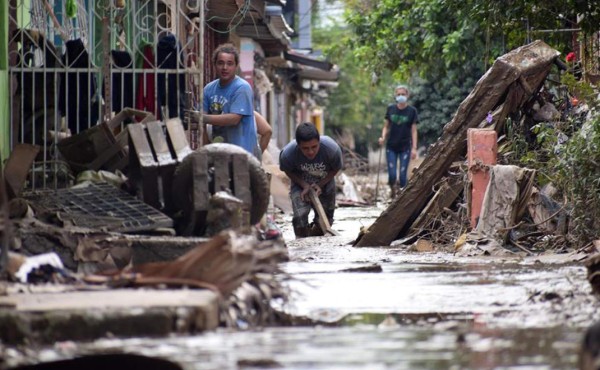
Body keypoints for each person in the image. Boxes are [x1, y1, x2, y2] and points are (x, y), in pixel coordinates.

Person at [189, 43, 258, 156]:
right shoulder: (209, 89)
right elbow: (201, 123)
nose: (225, 68)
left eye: (229, 64)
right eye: (220, 63)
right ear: (214, 65)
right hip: (218, 153)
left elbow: (234, 119)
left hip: (242, 153)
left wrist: (202, 117)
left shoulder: (242, 88)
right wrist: (205, 149)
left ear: (236, 66)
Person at [280, 122, 343, 238]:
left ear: (319, 142)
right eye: (305, 148)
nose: (310, 152)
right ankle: (302, 245)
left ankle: (317, 244)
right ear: (298, 145)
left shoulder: (331, 149)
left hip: (325, 182)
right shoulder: (288, 154)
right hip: (300, 183)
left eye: (314, 147)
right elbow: (287, 170)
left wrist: (320, 184)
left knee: (325, 220)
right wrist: (304, 185)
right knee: (300, 218)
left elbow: (336, 168)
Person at [378, 84, 418, 197]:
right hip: (391, 146)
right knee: (392, 175)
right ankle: (392, 189)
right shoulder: (391, 109)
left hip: (405, 147)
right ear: (395, 95)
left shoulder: (412, 111)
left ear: (407, 95)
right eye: (399, 94)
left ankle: (401, 196)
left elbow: (414, 130)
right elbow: (386, 126)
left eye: (403, 94)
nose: (401, 96)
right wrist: (383, 137)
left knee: (402, 175)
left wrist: (414, 148)